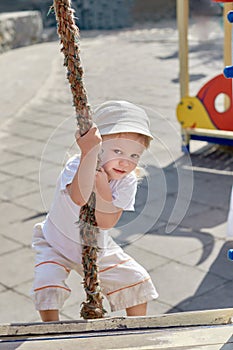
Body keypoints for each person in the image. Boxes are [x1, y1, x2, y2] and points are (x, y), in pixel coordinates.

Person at [31, 100, 158, 322]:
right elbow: (78, 197)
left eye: (134, 156)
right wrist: (88, 154)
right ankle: (51, 328)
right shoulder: (76, 165)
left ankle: (138, 327)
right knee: (47, 283)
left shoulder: (127, 180)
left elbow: (107, 222)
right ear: (98, 147)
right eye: (118, 151)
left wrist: (102, 190)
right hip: (55, 241)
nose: (125, 162)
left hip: (96, 246)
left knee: (137, 279)